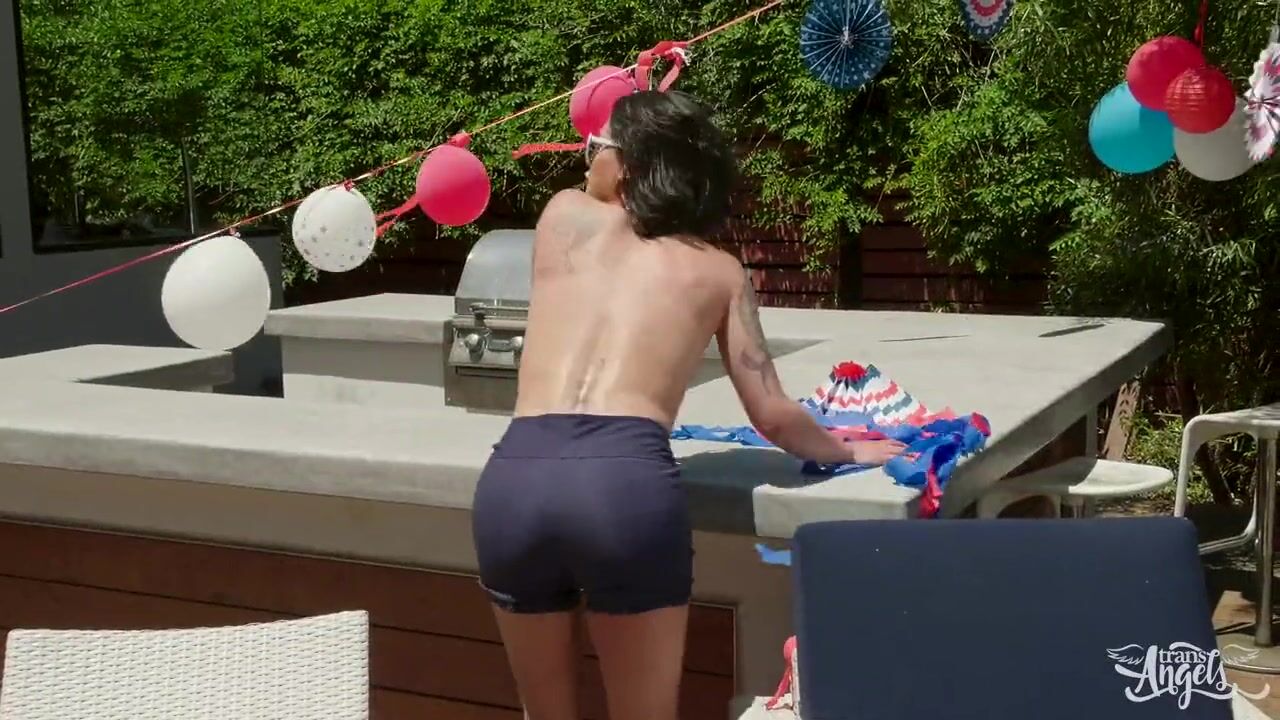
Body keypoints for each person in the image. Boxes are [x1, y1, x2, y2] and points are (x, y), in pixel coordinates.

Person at [470, 90, 906, 720]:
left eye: (596, 146)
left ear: (629, 164)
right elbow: (771, 413)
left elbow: (603, 207)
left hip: (516, 482)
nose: (587, 157)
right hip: (623, 488)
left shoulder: (561, 217)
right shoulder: (719, 272)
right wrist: (847, 449)